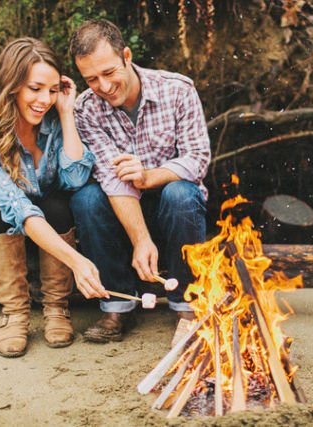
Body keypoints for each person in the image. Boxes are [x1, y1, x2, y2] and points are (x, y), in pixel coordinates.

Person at [0, 38, 109, 358]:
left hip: (56, 227)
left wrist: (67, 114)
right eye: (36, 88)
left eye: (53, 89)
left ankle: (56, 306)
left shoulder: (56, 122)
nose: (45, 99)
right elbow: (18, 208)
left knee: (57, 202)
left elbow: (75, 179)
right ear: (11, 86)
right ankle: (14, 313)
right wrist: (78, 262)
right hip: (10, 229)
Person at [68, 19, 211, 345]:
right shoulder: (86, 110)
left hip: (175, 212)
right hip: (124, 213)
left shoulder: (178, 89)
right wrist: (141, 240)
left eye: (109, 73)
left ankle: (187, 307)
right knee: (86, 198)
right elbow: (110, 178)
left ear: (127, 56)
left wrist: (149, 176)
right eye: (91, 79)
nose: (103, 86)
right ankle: (118, 305)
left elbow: (197, 158)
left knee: (181, 192)